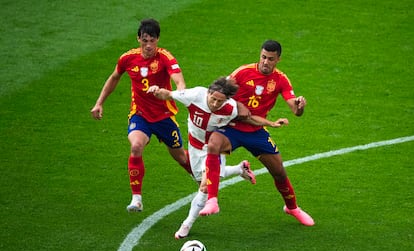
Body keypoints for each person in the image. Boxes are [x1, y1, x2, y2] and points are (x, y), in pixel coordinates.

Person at [148, 77, 289, 238]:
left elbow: (249, 119)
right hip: (195, 147)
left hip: (214, 148)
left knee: (205, 187)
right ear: (208, 92)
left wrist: (271, 123)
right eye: (213, 99)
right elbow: (168, 94)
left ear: (227, 100)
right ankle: (239, 169)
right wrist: (156, 91)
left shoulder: (231, 108)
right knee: (200, 178)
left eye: (220, 101)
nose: (215, 104)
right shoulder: (194, 95)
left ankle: (186, 224)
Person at [198, 40, 315, 226]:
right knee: (213, 144)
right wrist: (234, 105)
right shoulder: (243, 72)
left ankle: (292, 208)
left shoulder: (281, 80)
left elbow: (295, 110)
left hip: (256, 131)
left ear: (278, 59)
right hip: (232, 128)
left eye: (270, 59)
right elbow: (220, 91)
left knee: (279, 172)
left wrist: (300, 107)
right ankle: (212, 200)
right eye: (263, 57)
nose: (265, 62)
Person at [90, 18, 192, 212]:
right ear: (138, 39)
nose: (148, 45)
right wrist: (99, 103)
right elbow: (114, 78)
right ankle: (136, 199)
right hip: (140, 115)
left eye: (152, 41)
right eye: (144, 40)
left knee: (181, 158)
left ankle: (201, 180)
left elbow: (180, 81)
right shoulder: (128, 59)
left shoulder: (165, 57)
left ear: (158, 40)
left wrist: (178, 94)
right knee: (136, 146)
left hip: (164, 116)